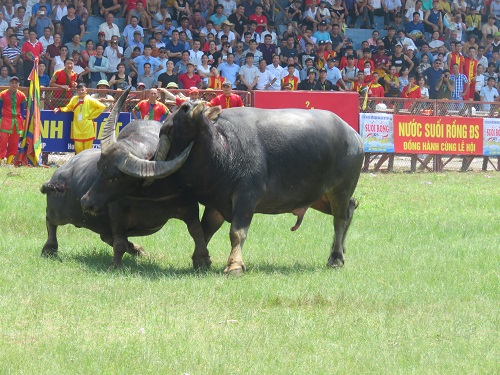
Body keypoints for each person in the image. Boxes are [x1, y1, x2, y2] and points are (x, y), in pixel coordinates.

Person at [52, 83, 105, 154]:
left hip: (87, 128)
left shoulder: (90, 100)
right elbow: (68, 107)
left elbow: (102, 106)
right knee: (78, 150)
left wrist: (92, 116)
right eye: (79, 90)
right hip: (77, 128)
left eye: (82, 90)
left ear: (86, 90)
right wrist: (59, 109)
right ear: (77, 91)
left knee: (88, 152)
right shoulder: (74, 99)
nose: (81, 91)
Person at [0, 76, 26, 164]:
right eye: (12, 83)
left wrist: (21, 118)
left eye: (16, 83)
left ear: (18, 84)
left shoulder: (22, 95)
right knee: (3, 140)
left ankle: (9, 162)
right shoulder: (2, 94)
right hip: (5, 120)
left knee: (14, 142)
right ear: (9, 84)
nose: (14, 85)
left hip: (17, 121)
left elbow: (22, 109)